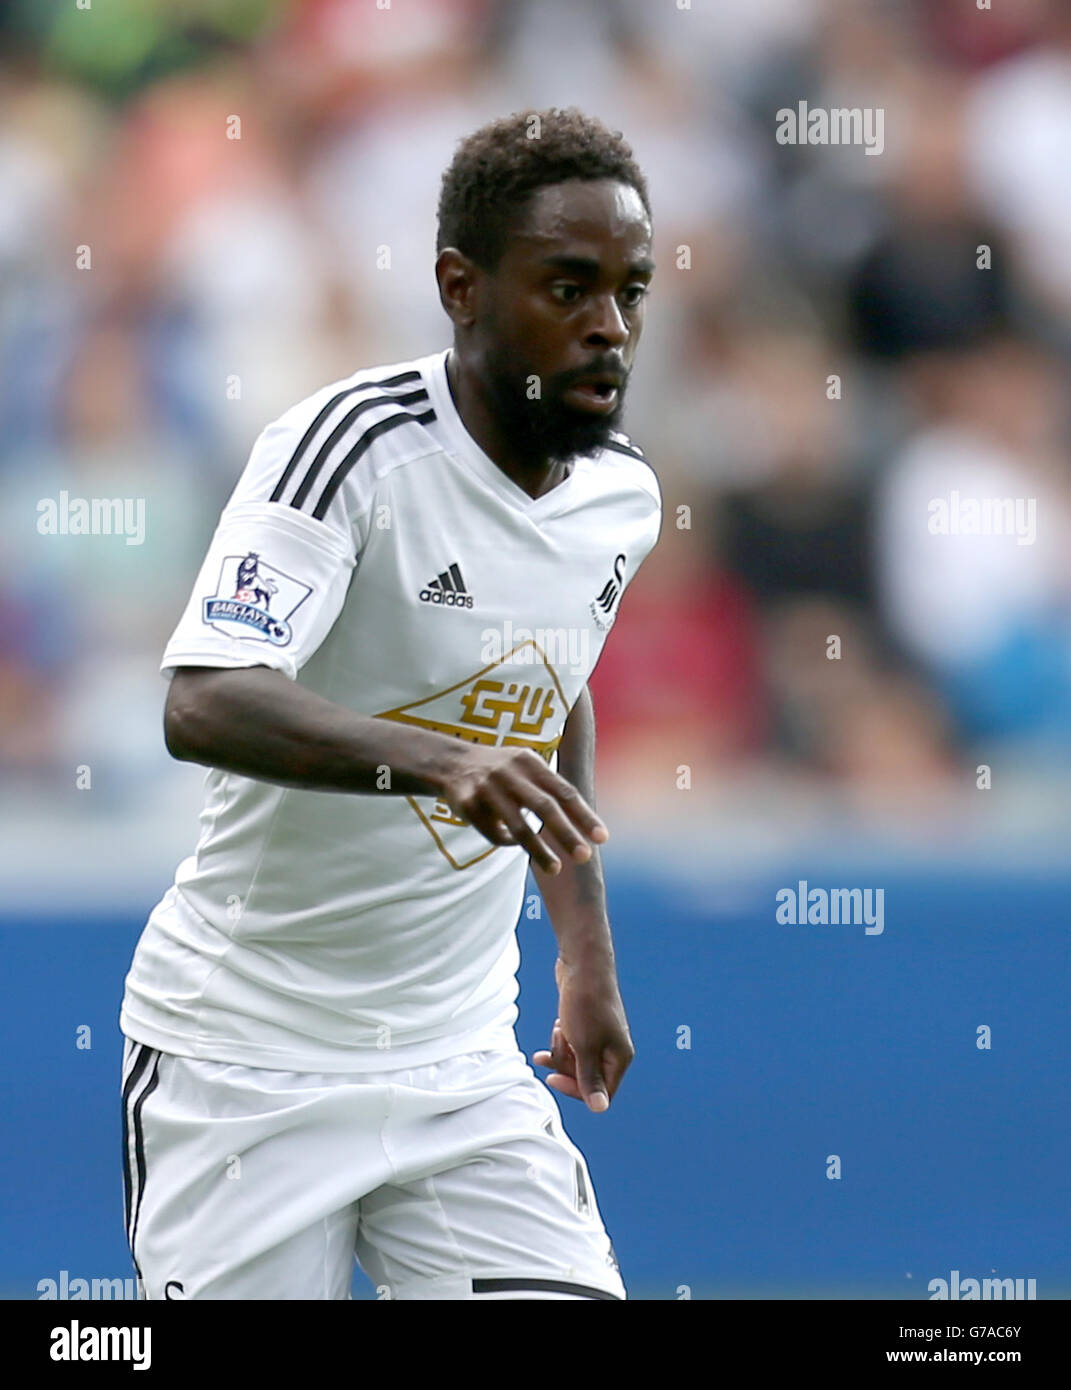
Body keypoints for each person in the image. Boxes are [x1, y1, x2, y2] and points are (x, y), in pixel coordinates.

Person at [119, 106, 661, 1301]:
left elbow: (548, 688)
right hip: (243, 1061)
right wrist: (437, 762)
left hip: (460, 1061)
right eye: (567, 288)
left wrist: (584, 948)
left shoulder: (622, 496)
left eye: (630, 290)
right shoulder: (350, 449)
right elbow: (203, 701)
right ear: (460, 288)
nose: (608, 329)